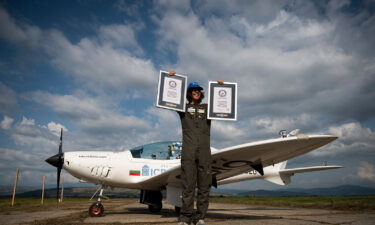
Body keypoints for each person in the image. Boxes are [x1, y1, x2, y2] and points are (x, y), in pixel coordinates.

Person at [168, 70, 223, 225]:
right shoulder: (182, 109)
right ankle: (185, 217)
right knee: (187, 185)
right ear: (188, 93)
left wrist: (221, 88)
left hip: (205, 152)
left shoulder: (208, 109)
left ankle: (200, 217)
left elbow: (221, 102)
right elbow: (170, 96)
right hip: (188, 152)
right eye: (193, 90)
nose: (196, 92)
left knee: (204, 185)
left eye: (198, 90)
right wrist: (170, 79)